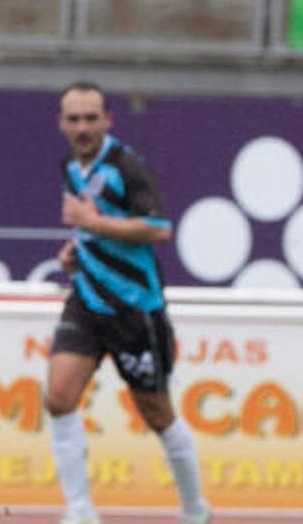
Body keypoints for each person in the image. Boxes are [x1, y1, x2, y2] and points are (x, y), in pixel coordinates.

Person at [47, 81, 211, 524]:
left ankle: (196, 510)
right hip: (87, 301)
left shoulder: (127, 165)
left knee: (158, 414)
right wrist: (76, 248)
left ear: (107, 120)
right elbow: (92, 227)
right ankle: (80, 512)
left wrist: (91, 223)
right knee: (59, 398)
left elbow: (158, 228)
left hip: (135, 309)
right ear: (61, 123)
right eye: (73, 119)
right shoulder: (70, 165)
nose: (82, 127)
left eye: (90, 118)